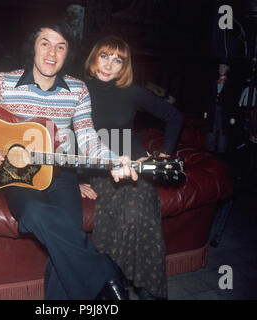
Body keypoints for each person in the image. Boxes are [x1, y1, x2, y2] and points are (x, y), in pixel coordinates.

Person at [0, 21, 137, 300]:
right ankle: (106, 270)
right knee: (34, 214)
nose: (52, 53)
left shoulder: (77, 90)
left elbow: (89, 140)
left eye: (61, 46)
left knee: (63, 238)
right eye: (45, 43)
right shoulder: (4, 83)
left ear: (68, 54)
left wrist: (115, 160)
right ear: (33, 47)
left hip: (61, 175)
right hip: (18, 176)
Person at [79, 35, 183, 300]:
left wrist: (163, 155)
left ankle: (147, 293)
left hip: (138, 167)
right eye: (105, 56)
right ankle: (115, 286)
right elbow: (67, 139)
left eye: (118, 61)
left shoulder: (131, 91)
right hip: (102, 170)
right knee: (117, 216)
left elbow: (174, 116)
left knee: (137, 214)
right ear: (94, 57)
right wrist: (77, 180)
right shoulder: (77, 91)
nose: (109, 65)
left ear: (124, 67)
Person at [204, 61, 240, 155]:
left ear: (228, 69)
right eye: (220, 67)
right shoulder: (214, 82)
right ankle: (210, 149)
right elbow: (209, 97)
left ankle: (221, 151)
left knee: (223, 130)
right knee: (212, 129)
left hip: (225, 111)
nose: (221, 69)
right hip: (213, 109)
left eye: (224, 67)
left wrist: (232, 116)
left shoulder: (231, 84)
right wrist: (206, 111)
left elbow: (233, 100)